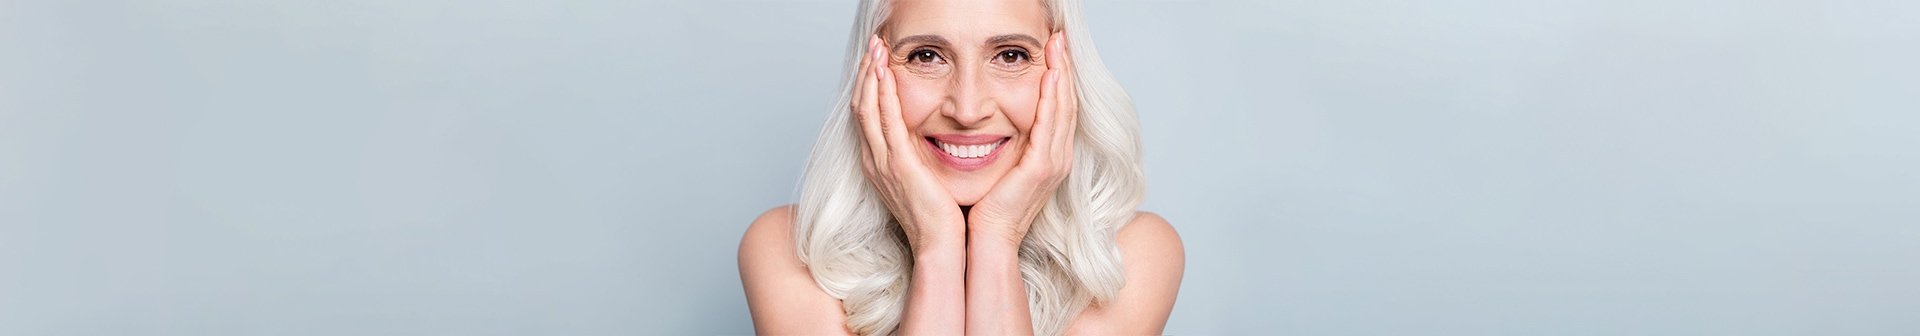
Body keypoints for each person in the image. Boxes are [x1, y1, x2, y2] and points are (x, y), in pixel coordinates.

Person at [738, 0, 1183, 334]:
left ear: (1066, 73)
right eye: (926, 56)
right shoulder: (789, 251)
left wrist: (997, 236)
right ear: (871, 73)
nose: (968, 109)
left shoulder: (1133, 256)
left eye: (1010, 55)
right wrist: (935, 243)